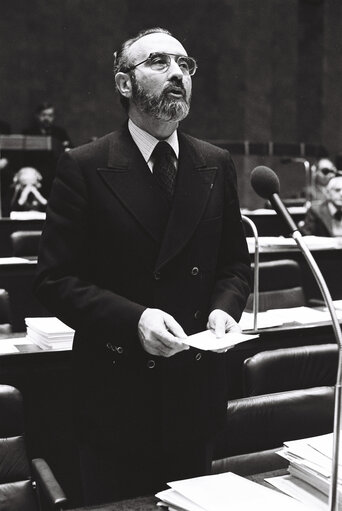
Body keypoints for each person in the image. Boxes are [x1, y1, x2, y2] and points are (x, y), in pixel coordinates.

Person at [34, 27, 251, 505]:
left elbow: (234, 263)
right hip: (117, 401)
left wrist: (223, 307)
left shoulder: (215, 163)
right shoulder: (84, 166)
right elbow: (53, 280)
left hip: (195, 396)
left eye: (185, 64)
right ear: (124, 83)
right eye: (159, 62)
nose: (178, 73)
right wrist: (134, 320)